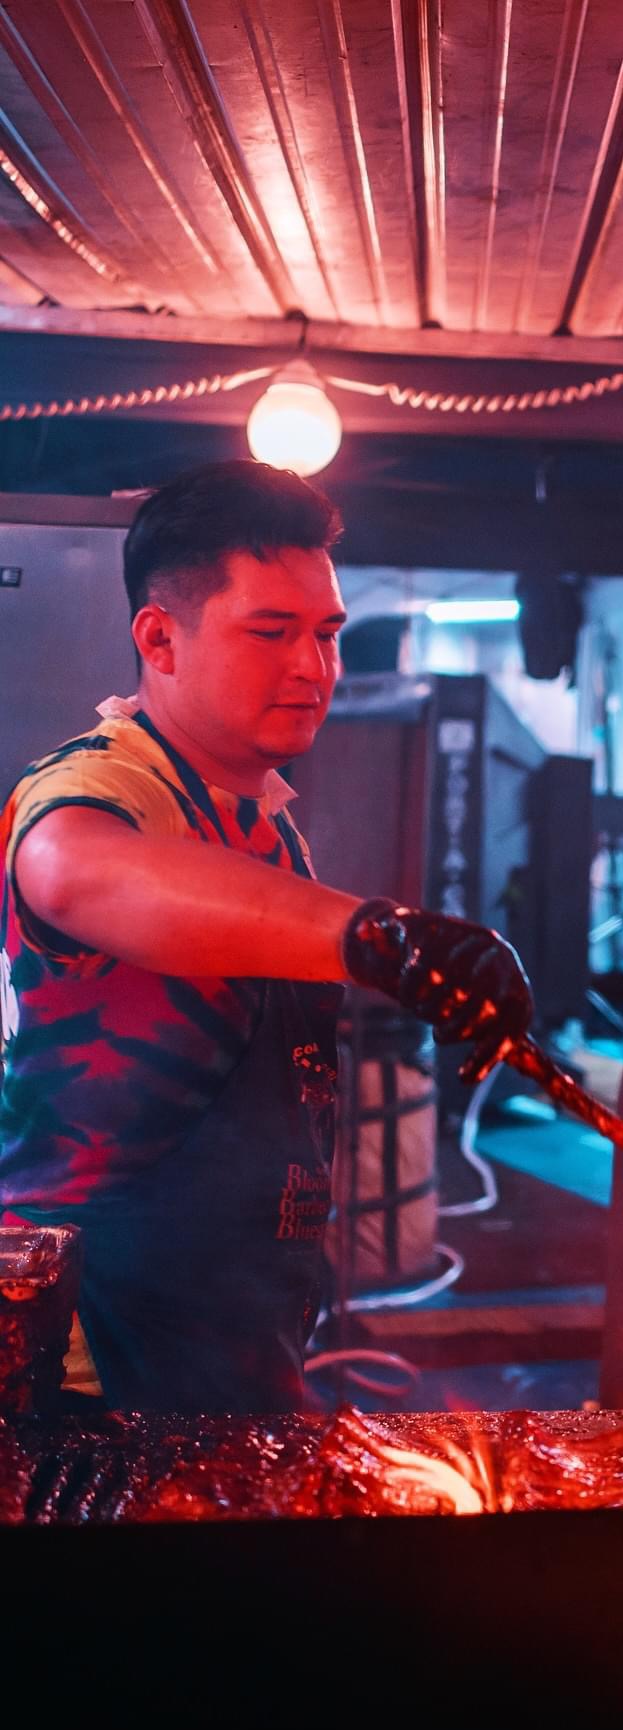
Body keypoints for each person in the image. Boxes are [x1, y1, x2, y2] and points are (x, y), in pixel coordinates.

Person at [0, 461, 532, 1413]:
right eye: (270, 631)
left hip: (228, 1344)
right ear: (160, 638)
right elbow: (68, 868)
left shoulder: (264, 824)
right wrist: (378, 937)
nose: (313, 668)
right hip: (88, 1368)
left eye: (326, 633)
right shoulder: (104, 780)